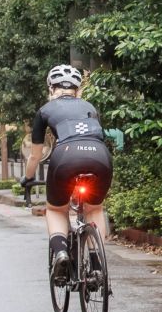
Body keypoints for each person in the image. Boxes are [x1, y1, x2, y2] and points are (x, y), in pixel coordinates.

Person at [21, 65, 113, 278]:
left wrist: (27, 178)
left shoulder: (45, 110)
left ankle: (61, 252)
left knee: (56, 210)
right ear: (78, 90)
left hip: (66, 157)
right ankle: (97, 265)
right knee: (94, 209)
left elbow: (36, 155)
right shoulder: (90, 106)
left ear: (51, 89)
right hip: (100, 156)